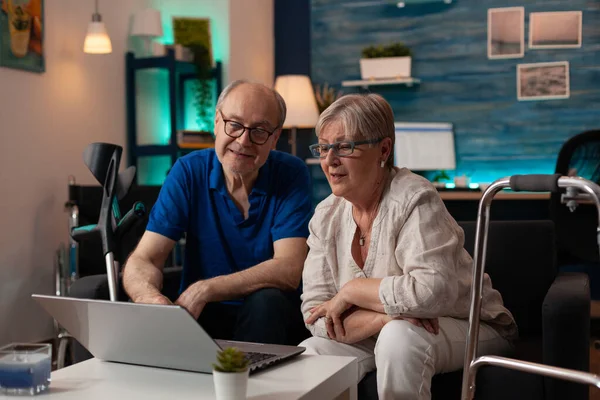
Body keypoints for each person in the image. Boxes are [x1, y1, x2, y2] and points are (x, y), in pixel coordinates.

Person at [299, 93, 517, 400]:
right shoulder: (325, 215)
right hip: (381, 329)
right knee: (310, 353)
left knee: (400, 339)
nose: (329, 160)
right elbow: (315, 313)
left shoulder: (415, 198)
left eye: (344, 147)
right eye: (323, 147)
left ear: (383, 150)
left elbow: (430, 292)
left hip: (471, 324)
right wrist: (384, 317)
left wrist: (351, 292)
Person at [123, 80, 313, 346]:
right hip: (204, 316)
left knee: (266, 302)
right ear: (216, 123)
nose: (243, 141)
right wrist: (150, 299)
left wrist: (206, 288)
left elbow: (289, 268)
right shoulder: (188, 172)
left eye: (259, 131)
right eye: (234, 125)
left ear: (275, 138)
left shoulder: (291, 173)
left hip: (273, 318)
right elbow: (145, 259)